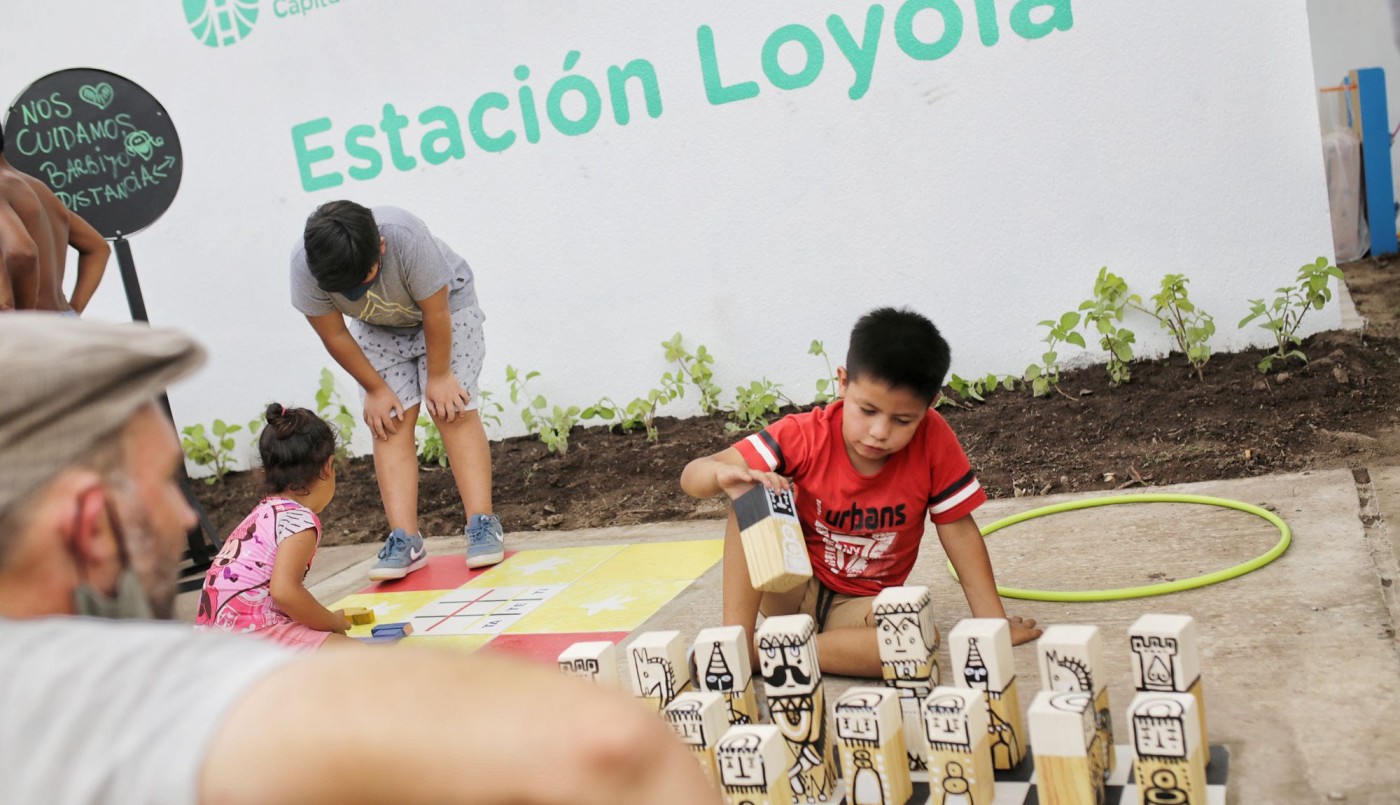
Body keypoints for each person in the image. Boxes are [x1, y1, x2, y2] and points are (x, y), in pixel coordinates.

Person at [0, 313, 717, 805]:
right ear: (91, 526)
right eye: (162, 485)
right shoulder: (104, 693)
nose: (187, 514)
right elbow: (608, 745)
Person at [681, 307, 1042, 677]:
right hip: (789, 585)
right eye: (867, 410)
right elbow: (693, 474)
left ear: (930, 405)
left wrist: (992, 624)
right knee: (747, 495)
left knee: (916, 638)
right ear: (843, 382)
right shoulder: (806, 434)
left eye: (902, 420)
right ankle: (734, 645)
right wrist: (724, 473)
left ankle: (761, 653)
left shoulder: (934, 443)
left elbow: (959, 531)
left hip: (860, 607)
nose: (879, 431)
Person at [291, 200, 500, 581]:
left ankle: (482, 524)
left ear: (381, 248)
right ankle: (405, 539)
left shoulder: (405, 237)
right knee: (389, 422)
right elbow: (334, 333)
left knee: (450, 411)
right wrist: (374, 388)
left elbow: (436, 313)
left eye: (365, 279)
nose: (355, 291)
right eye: (344, 289)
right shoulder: (307, 266)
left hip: (446, 311)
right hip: (377, 329)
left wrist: (438, 377)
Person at [195, 403, 356, 647]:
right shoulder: (300, 522)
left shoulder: (264, 513)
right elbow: (286, 593)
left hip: (213, 638)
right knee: (359, 656)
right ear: (327, 466)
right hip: (251, 635)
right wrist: (332, 623)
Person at [0, 119, 110, 314]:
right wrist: (73, 310)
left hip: (28, 332)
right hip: (60, 320)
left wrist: (24, 321)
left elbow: (22, 253)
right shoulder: (38, 188)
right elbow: (98, 247)